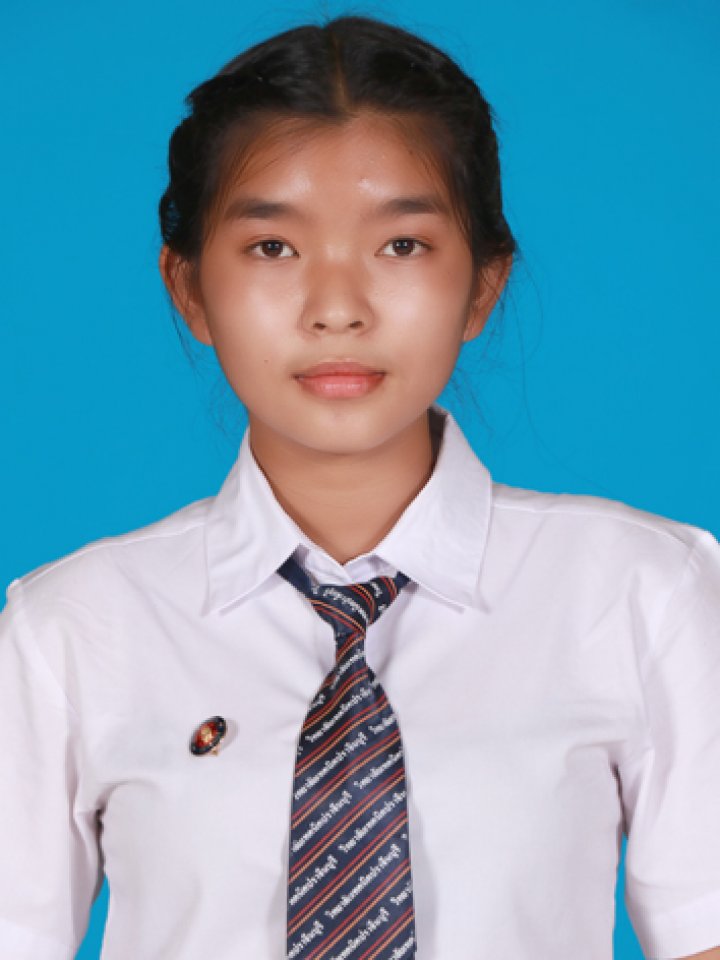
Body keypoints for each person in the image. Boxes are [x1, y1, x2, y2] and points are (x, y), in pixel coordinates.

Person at [1, 13, 719, 960]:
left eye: (402, 246)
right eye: (272, 248)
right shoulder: (70, 630)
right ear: (190, 289)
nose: (337, 309)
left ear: (482, 285)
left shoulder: (643, 593)